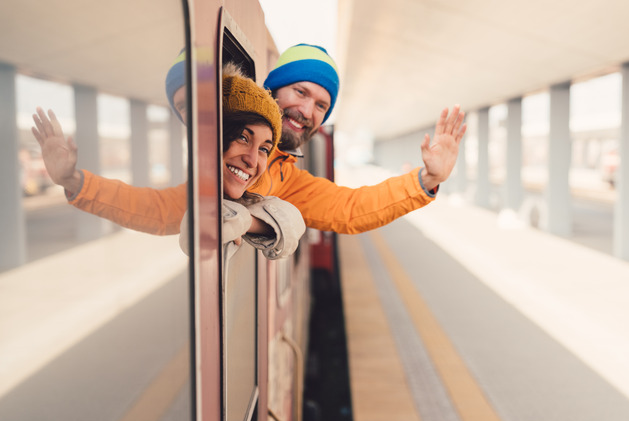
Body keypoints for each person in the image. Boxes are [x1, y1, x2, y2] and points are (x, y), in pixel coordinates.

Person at [37, 43, 466, 237]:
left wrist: (424, 181)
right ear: (271, 91)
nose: (308, 110)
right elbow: (163, 209)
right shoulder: (224, 144)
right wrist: (75, 183)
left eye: (321, 105)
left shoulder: (289, 177)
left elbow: (350, 210)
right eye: (300, 92)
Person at [32, 64, 305, 259]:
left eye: (263, 148)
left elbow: (290, 221)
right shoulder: (206, 186)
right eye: (243, 138)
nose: (251, 158)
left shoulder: (261, 175)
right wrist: (71, 180)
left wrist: (246, 221)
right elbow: (154, 209)